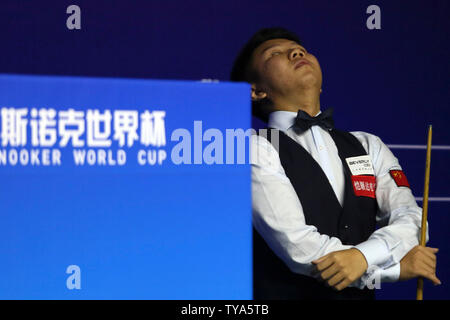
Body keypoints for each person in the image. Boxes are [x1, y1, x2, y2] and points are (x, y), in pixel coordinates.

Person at [230, 27, 440, 300]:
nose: (296, 52)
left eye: (301, 50)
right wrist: (393, 269)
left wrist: (363, 257)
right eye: (276, 54)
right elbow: (299, 248)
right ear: (256, 91)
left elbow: (412, 221)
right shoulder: (252, 147)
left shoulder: (368, 145)